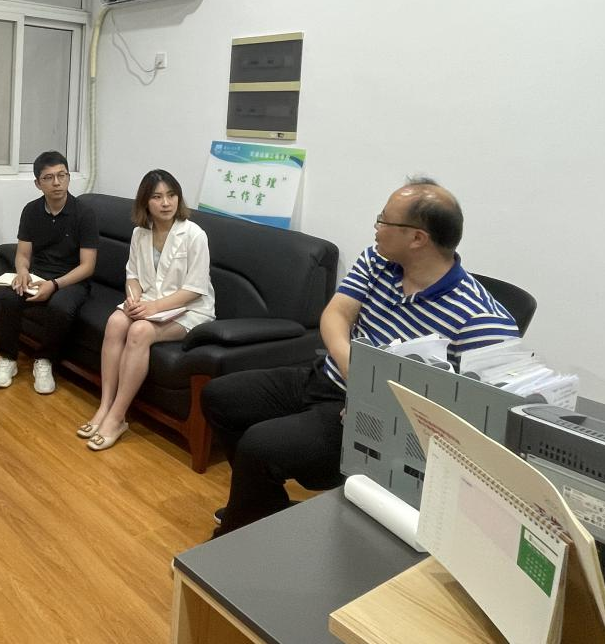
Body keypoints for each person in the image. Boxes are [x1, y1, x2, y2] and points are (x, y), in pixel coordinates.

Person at [202, 177, 519, 535]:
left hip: (373, 421)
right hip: (329, 377)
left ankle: (235, 536)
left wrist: (374, 403)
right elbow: (336, 315)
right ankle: (262, 505)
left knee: (259, 446)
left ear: (417, 238)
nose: (377, 227)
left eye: (384, 220)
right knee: (221, 397)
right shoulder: (378, 260)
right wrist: (355, 371)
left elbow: (477, 416)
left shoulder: (481, 319)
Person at [79, 169, 215, 451]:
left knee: (140, 331)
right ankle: (104, 406)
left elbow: (195, 289)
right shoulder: (140, 233)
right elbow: (133, 275)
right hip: (150, 303)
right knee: (116, 322)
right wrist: (133, 299)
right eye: (157, 197)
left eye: (171, 195)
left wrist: (152, 307)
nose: (166, 203)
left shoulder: (194, 235)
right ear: (145, 202)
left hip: (190, 310)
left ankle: (117, 417)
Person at [0, 151, 99, 394]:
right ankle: (8, 358)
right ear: (38, 184)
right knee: (8, 296)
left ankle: (45, 360)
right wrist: (22, 272)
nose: (57, 183)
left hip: (72, 279)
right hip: (38, 274)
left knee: (60, 307)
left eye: (62, 175)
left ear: (68, 177)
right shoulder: (31, 211)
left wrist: (55, 285)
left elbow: (87, 266)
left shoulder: (84, 214)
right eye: (48, 178)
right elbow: (23, 254)